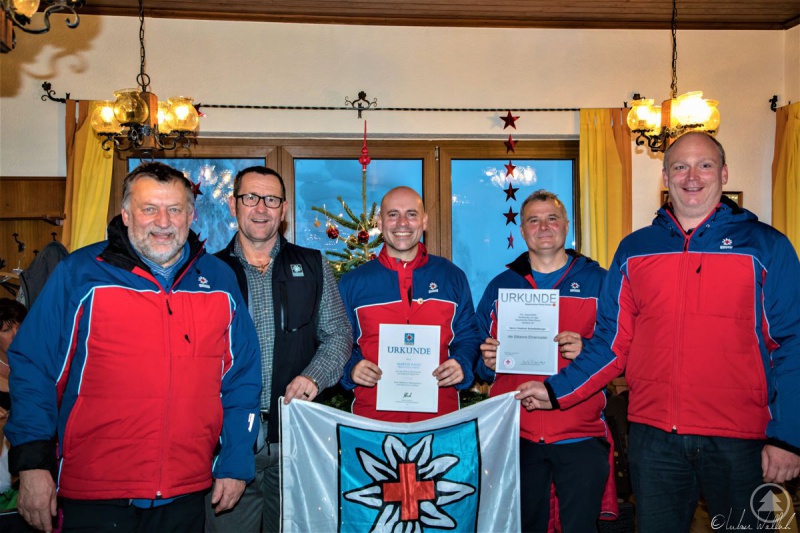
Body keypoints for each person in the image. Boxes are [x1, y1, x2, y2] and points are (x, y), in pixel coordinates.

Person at [517, 132, 800, 531]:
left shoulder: (766, 246)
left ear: (723, 173)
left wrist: (787, 437)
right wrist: (553, 391)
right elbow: (611, 343)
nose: (692, 177)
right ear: (665, 177)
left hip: (741, 439)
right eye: (680, 167)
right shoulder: (634, 249)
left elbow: (792, 343)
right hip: (653, 440)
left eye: (704, 165)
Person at [4, 162, 262, 533]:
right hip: (95, 492)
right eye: (149, 209)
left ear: (191, 216)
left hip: (185, 492)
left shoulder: (220, 280)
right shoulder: (80, 274)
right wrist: (32, 464)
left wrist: (236, 462)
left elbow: (242, 379)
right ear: (126, 215)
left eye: (175, 209)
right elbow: (34, 367)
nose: (163, 222)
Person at [209, 166, 351, 533]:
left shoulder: (314, 266)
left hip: (296, 439)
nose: (261, 208)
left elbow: (338, 334)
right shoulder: (208, 273)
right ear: (233, 205)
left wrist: (313, 378)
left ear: (284, 209)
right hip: (227, 443)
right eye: (250, 198)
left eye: (271, 200)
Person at [477, 190, 612, 532]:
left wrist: (587, 348)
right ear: (522, 231)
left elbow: (619, 348)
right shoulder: (500, 287)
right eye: (533, 220)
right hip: (517, 435)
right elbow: (475, 356)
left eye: (552, 218)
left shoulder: (600, 281)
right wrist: (486, 361)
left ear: (566, 225)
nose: (543, 227)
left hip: (579, 432)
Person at [338, 186, 481, 422]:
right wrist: (352, 367)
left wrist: (461, 363)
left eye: (411, 214)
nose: (402, 223)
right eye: (393, 214)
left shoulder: (451, 276)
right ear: (380, 223)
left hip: (441, 421)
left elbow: (468, 336)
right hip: (372, 423)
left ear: (424, 222)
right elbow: (337, 342)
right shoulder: (353, 282)